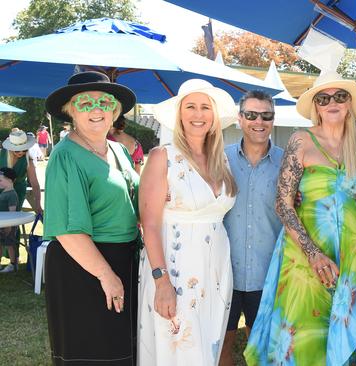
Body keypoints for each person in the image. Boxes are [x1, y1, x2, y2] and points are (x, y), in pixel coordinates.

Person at [244, 72, 356, 364]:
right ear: (316, 107)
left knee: (348, 338)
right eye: (323, 98)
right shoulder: (302, 140)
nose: (332, 102)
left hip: (353, 259)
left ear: (349, 104)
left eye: (339, 96)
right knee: (305, 338)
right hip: (305, 257)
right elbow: (283, 204)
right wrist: (313, 254)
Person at [138, 79, 238, 365]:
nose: (198, 114)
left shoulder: (221, 159)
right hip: (175, 270)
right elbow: (151, 224)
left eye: (205, 107)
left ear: (214, 115)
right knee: (178, 348)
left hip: (216, 269)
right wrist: (162, 282)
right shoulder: (162, 157)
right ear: (180, 114)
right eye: (191, 107)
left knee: (207, 347)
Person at [43, 71, 139, 365]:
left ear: (114, 110)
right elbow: (68, 231)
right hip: (84, 265)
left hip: (124, 258)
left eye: (103, 102)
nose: (95, 110)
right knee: (93, 353)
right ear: (71, 112)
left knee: (122, 349)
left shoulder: (120, 150)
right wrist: (106, 275)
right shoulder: (65, 155)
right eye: (84, 103)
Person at [219, 90, 283, 366]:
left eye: (266, 115)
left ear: (273, 119)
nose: (259, 121)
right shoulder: (219, 159)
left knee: (264, 351)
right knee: (221, 344)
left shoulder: (289, 162)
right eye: (252, 115)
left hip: (269, 273)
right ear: (240, 119)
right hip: (223, 272)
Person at [1, 129, 43, 215]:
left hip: (18, 191)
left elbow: (35, 184)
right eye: (17, 150)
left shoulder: (28, 161)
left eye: (24, 150)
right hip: (1, 189)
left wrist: (38, 204)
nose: (21, 152)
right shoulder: (2, 155)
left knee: (13, 218)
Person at [0, 167, 19, 273]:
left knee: (9, 244)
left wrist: (8, 226)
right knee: (1, 244)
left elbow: (12, 212)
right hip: (2, 224)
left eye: (0, 180)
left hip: (8, 225)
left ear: (10, 180)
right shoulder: (4, 193)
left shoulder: (11, 194)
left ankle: (13, 264)